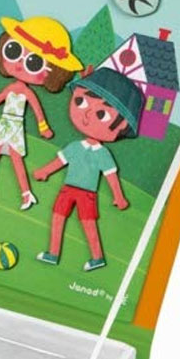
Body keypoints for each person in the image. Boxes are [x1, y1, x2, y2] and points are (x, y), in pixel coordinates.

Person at [33, 67, 143, 271]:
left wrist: (119, 197)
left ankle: (97, 257)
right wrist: (45, 171)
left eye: (102, 114)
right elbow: (60, 161)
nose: (87, 116)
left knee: (88, 223)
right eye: (81, 102)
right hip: (67, 189)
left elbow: (111, 176)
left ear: (122, 127)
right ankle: (53, 253)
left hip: (87, 194)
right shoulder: (75, 147)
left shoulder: (103, 154)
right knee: (57, 218)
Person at [0, 16, 82, 209]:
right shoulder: (11, 88)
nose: (20, 64)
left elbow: (37, 111)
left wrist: (43, 127)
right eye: (13, 51)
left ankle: (27, 194)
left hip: (15, 125)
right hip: (4, 123)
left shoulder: (27, 92)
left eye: (34, 63)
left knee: (16, 158)